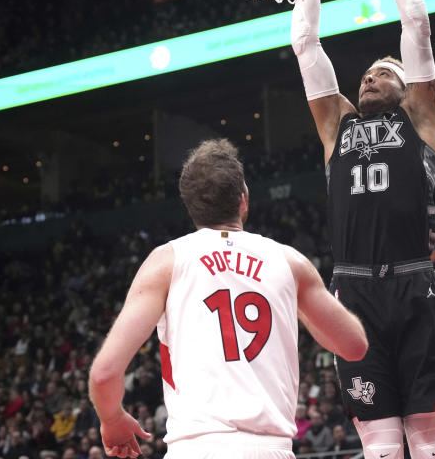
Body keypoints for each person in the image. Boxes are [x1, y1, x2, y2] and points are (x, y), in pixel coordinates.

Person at [88, 139, 368, 458]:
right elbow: (353, 345)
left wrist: (112, 419)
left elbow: (104, 374)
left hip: (194, 448)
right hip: (271, 448)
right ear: (243, 200)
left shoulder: (165, 262)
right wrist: (294, 305)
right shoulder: (290, 263)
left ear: (190, 207)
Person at [290, 0, 435, 459]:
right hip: (354, 292)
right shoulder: (337, 125)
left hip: (412, 282)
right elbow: (305, 43)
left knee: (428, 447)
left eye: (383, 72)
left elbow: (418, 25)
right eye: (365, 74)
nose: (369, 77)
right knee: (381, 450)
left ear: (409, 90)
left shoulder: (420, 121)